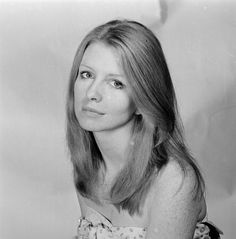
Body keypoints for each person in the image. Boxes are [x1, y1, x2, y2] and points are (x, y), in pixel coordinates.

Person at [66, 19, 223, 239]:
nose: (91, 93)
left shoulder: (173, 180)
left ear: (144, 100)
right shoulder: (87, 166)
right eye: (87, 75)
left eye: (116, 83)